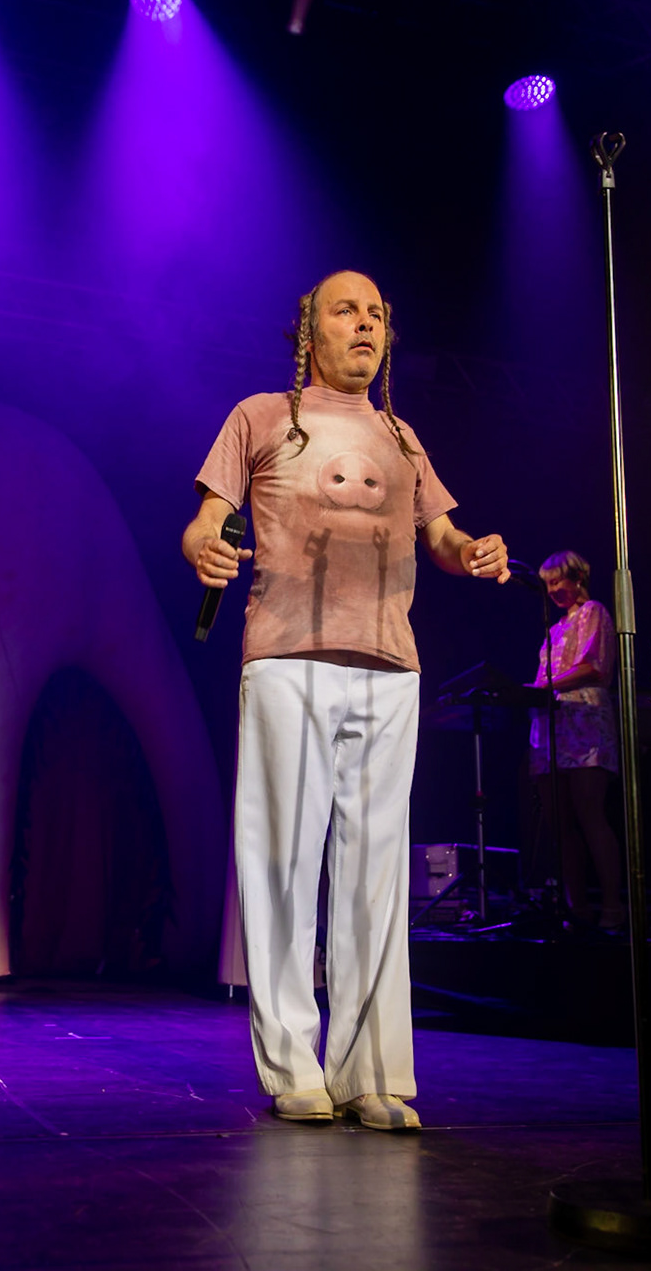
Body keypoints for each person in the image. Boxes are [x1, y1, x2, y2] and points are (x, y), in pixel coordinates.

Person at [182, 270, 509, 1130]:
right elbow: (206, 519)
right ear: (310, 330)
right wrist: (204, 548)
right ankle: (294, 1064)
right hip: (287, 658)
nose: (365, 324)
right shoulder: (260, 416)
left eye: (377, 315)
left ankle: (370, 1073)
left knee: (375, 878)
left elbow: (441, 536)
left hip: (389, 664)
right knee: (285, 865)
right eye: (346, 311)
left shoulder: (402, 437)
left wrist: (473, 551)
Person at [526, 549, 623, 930]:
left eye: (557, 582)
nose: (552, 591)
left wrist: (542, 688)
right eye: (547, 585)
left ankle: (612, 906)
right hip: (552, 727)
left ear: (577, 578)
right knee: (560, 823)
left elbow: (592, 667)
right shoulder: (553, 629)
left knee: (590, 814)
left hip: (584, 723)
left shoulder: (593, 612)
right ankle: (576, 907)